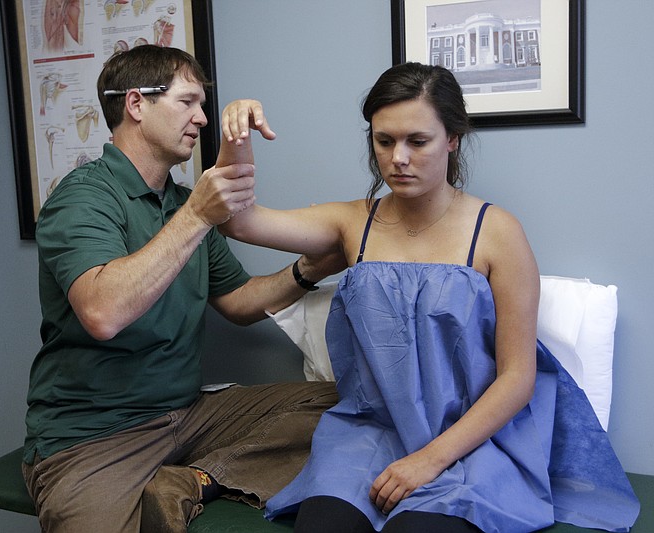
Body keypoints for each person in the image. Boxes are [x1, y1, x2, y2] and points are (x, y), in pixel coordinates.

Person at [217, 62, 640, 532]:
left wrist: (429, 460)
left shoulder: (498, 233)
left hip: (472, 441)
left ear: (453, 138)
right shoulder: (351, 221)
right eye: (384, 141)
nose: (398, 157)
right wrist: (236, 140)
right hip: (370, 433)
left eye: (417, 142)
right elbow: (240, 221)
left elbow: (517, 378)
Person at [21, 45, 341, 533]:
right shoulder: (83, 198)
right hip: (93, 437)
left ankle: (194, 480)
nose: (201, 118)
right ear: (136, 104)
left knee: (347, 405)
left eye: (203, 105)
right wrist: (197, 216)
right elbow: (103, 313)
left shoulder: (181, 203)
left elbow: (237, 303)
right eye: (187, 102)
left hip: (188, 417)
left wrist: (308, 270)